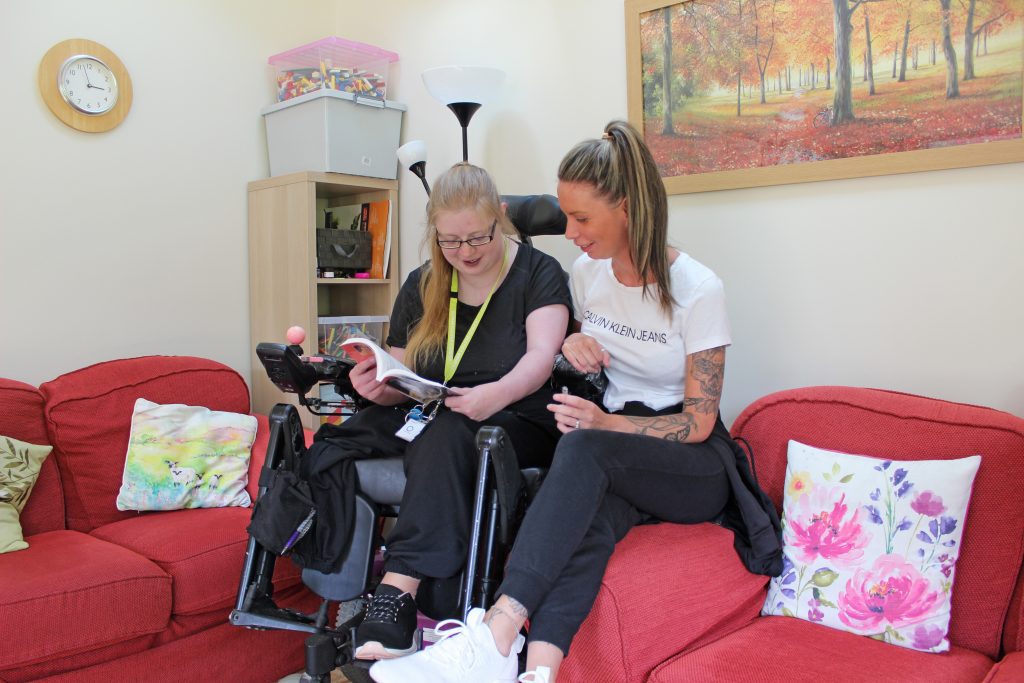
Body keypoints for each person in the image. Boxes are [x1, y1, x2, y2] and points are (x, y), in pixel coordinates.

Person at [370, 120, 777, 683]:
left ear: (629, 209)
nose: (570, 232)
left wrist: (606, 423)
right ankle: (536, 671)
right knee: (587, 526)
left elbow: (700, 422)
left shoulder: (697, 288)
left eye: (582, 218)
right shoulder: (587, 274)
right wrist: (574, 344)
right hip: (613, 445)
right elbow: (580, 351)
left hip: (690, 460)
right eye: (566, 216)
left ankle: (496, 632)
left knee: (582, 451)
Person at [302, 162, 571, 663]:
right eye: (450, 242)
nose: (464, 253)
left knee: (449, 433)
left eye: (476, 238)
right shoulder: (424, 281)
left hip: (515, 415)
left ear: (502, 217)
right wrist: (379, 389)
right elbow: (400, 372)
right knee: (338, 441)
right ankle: (334, 574)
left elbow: (539, 359)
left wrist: (494, 395)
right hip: (434, 407)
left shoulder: (539, 273)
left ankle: (396, 594)